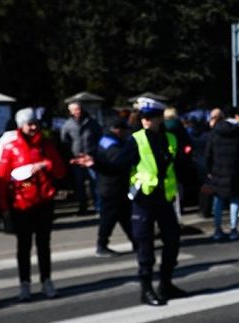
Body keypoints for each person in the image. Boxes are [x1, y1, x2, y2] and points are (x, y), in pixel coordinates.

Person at [0, 108, 67, 301]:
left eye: (35, 123)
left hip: (44, 202)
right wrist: (4, 208)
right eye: (29, 124)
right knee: (24, 247)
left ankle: (46, 280)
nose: (34, 127)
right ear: (21, 126)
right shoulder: (11, 148)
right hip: (21, 204)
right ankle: (25, 284)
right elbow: (2, 179)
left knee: (44, 245)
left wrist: (46, 165)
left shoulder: (47, 145)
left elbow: (60, 171)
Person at [129, 96, 189, 306]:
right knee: (145, 245)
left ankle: (166, 284)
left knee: (172, 240)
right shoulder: (136, 139)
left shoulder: (170, 138)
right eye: (143, 117)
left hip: (164, 197)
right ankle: (146, 289)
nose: (146, 120)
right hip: (144, 199)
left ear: (159, 118)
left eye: (150, 117)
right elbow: (121, 165)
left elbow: (179, 164)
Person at [71, 118, 135, 257]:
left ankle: (136, 242)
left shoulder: (106, 140)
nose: (126, 134)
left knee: (124, 216)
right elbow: (117, 163)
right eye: (125, 131)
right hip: (113, 187)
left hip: (111, 186)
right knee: (109, 218)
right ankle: (102, 246)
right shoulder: (113, 145)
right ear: (118, 130)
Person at [205, 107, 239, 241]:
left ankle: (217, 230)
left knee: (218, 201)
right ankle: (233, 229)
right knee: (235, 200)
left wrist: (209, 170)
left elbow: (208, 154)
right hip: (236, 171)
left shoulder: (213, 133)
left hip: (217, 171)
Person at [61, 102, 102, 215]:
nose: (77, 111)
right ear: (70, 112)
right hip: (76, 159)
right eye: (74, 110)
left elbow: (99, 138)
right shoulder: (67, 125)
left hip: (91, 157)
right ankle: (82, 207)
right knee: (79, 184)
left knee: (95, 182)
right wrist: (70, 156)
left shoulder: (92, 122)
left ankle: (98, 207)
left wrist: (95, 154)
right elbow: (64, 142)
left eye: (78, 109)